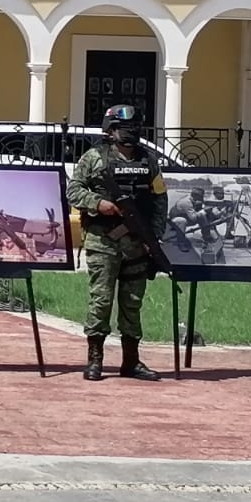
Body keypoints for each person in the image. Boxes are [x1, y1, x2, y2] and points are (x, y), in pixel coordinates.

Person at [68, 104, 168, 382]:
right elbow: (73, 190)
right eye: (125, 128)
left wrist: (154, 236)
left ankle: (131, 361)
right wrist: (98, 203)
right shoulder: (94, 158)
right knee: (101, 300)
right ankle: (95, 360)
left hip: (137, 243)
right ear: (110, 131)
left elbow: (159, 200)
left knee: (132, 302)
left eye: (136, 128)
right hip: (104, 241)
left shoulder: (148, 161)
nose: (131, 133)